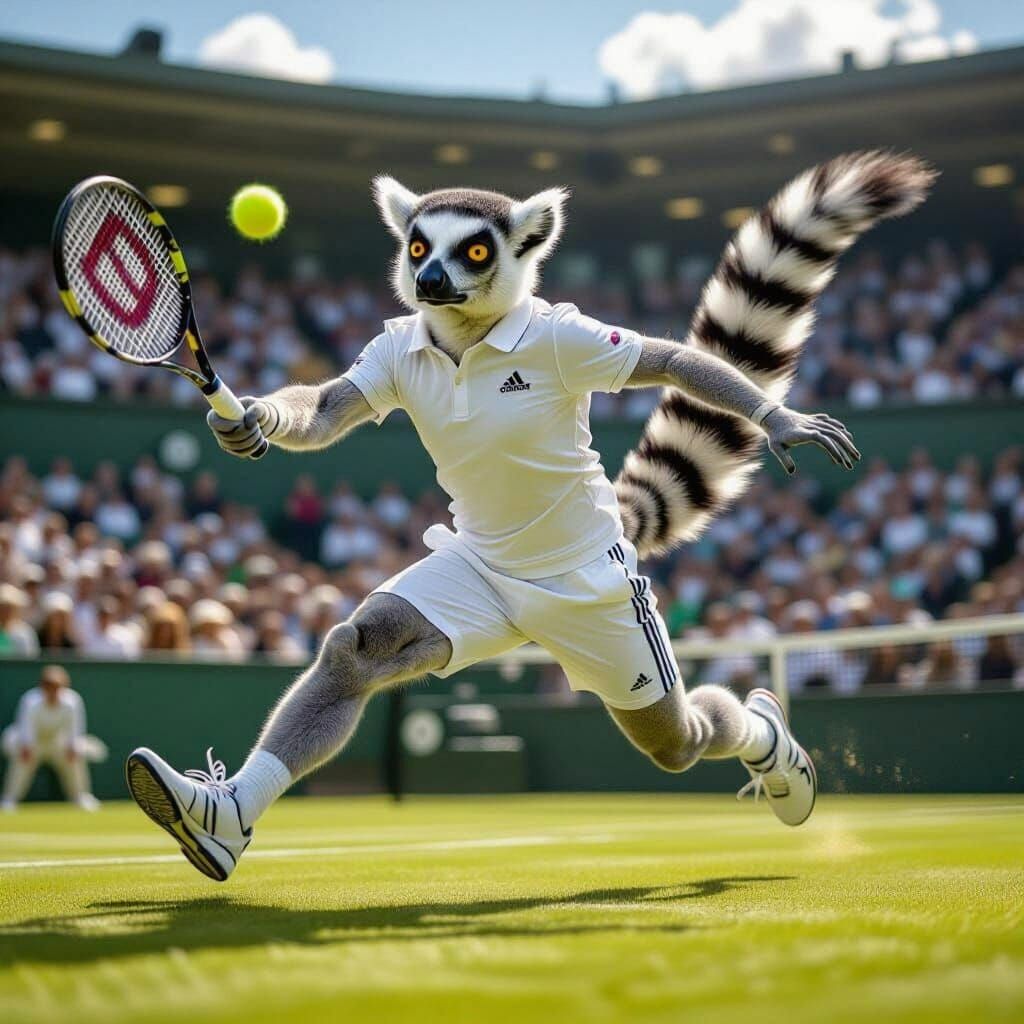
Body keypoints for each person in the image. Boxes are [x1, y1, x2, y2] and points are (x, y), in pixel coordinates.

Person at [124, 152, 931, 881]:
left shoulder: (553, 336)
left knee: (676, 746)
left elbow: (674, 361)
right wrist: (267, 414)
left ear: (520, 250)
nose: (438, 271)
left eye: (469, 254)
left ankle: (756, 734)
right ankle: (233, 813)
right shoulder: (401, 348)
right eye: (422, 252)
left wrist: (768, 413)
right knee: (352, 651)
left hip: (588, 580)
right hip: (480, 565)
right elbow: (326, 409)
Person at [1, 665, 105, 811]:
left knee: (75, 758)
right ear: (42, 687)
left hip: (57, 743)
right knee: (21, 759)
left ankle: (81, 797)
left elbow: (75, 729)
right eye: (49, 687)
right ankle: (9, 799)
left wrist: (72, 747)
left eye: (57, 687)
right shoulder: (30, 701)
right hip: (32, 742)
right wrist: (27, 748)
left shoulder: (72, 701)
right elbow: (26, 728)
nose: (53, 691)